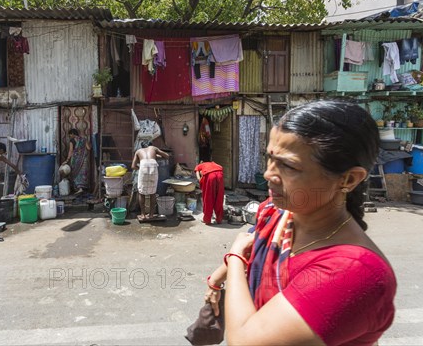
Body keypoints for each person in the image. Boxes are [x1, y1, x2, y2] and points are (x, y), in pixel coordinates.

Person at [204, 100, 396, 345]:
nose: (268, 174)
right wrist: (216, 280)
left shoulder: (354, 272)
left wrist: (233, 258)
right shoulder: (277, 211)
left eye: (288, 166)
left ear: (348, 179)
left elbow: (244, 341)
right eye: (270, 158)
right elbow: (253, 246)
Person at [131, 142, 169, 220]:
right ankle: (151, 214)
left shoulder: (138, 151)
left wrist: (140, 169)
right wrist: (156, 156)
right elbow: (167, 156)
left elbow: (133, 166)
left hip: (143, 166)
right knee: (153, 192)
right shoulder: (153, 148)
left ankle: (143, 215)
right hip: (153, 166)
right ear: (150, 145)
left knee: (141, 193)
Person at [62, 128, 91, 195]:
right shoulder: (84, 139)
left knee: (75, 173)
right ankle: (83, 188)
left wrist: (67, 160)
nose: (69, 137)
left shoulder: (72, 140)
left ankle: (79, 188)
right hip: (84, 160)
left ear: (72, 134)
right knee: (83, 173)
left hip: (75, 160)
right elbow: (89, 148)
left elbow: (71, 151)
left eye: (69, 135)